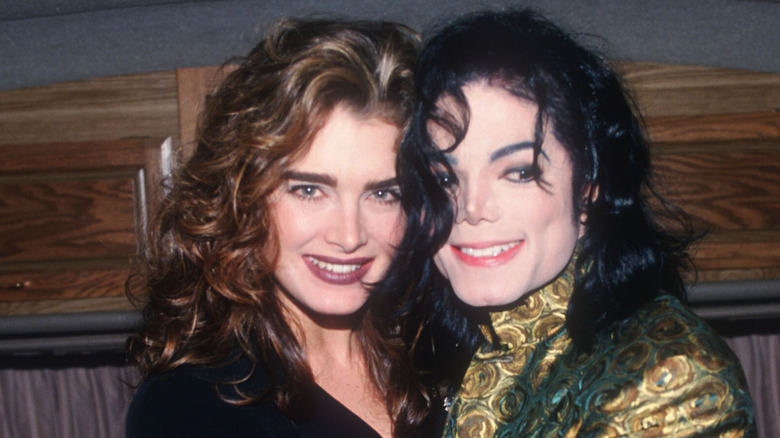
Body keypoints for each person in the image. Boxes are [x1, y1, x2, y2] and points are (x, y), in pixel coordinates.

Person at [388, 8, 757, 437]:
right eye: (445, 178)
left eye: (519, 172)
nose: (472, 207)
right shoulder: (431, 352)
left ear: (588, 187)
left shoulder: (669, 378)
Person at [125, 19, 431, 438]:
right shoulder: (192, 406)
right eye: (309, 190)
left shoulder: (441, 354)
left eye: (384, 195)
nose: (348, 235)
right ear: (245, 195)